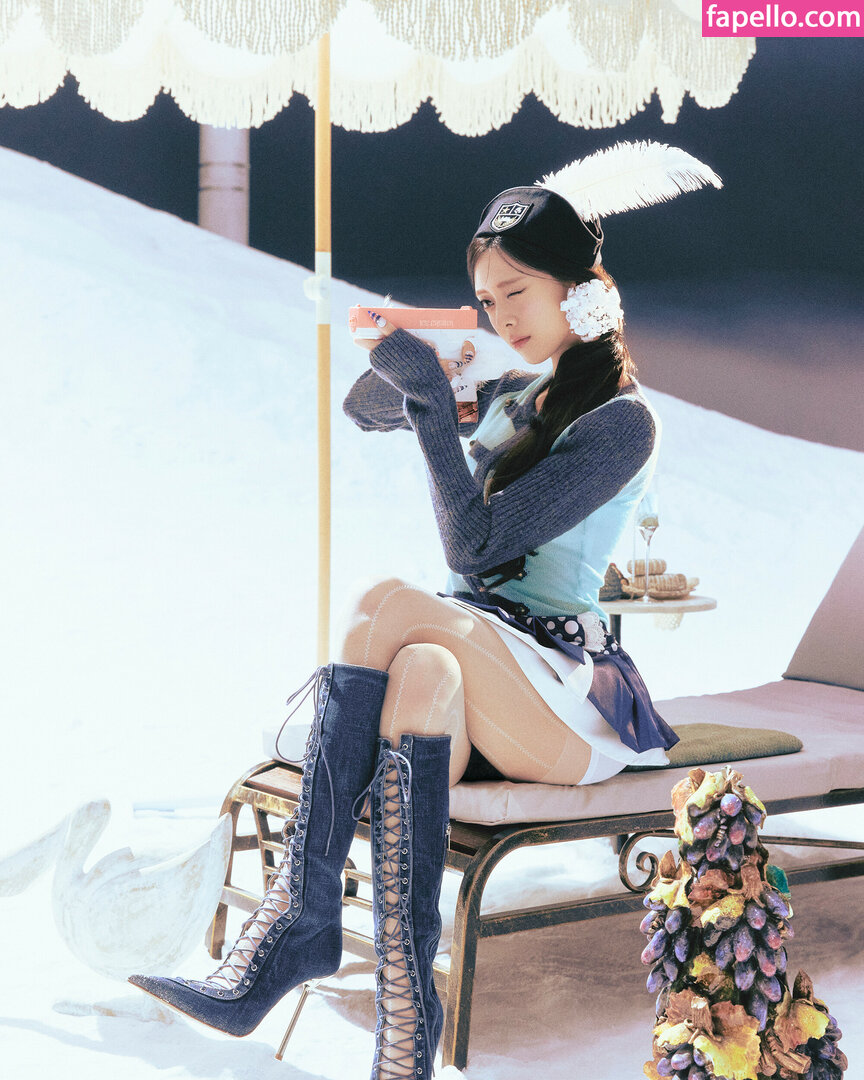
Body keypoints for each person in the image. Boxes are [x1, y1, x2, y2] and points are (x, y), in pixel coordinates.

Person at [129, 142, 721, 1079]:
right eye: (486, 299)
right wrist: (421, 350)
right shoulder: (513, 392)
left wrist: (435, 407)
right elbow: (367, 408)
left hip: (565, 699)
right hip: (482, 669)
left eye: (516, 292)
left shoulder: (622, 421)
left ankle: (298, 922)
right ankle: (406, 1023)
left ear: (580, 287)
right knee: (421, 670)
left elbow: (475, 547)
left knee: (383, 603)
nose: (502, 316)